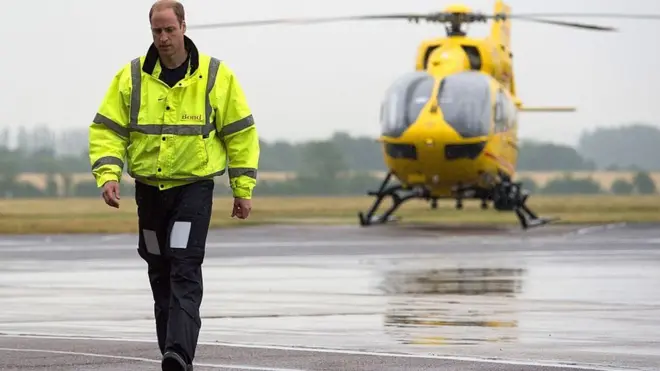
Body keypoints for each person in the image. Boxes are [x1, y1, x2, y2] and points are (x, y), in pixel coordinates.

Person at [87, 1, 259, 370]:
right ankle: (170, 350)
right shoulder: (130, 77)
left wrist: (242, 189)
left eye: (169, 29)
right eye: (156, 31)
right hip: (148, 193)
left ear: (183, 27)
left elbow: (240, 133)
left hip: (192, 190)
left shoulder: (215, 76)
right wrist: (109, 175)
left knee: (183, 264)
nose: (163, 38)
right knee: (158, 266)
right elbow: (107, 130)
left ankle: (178, 353)